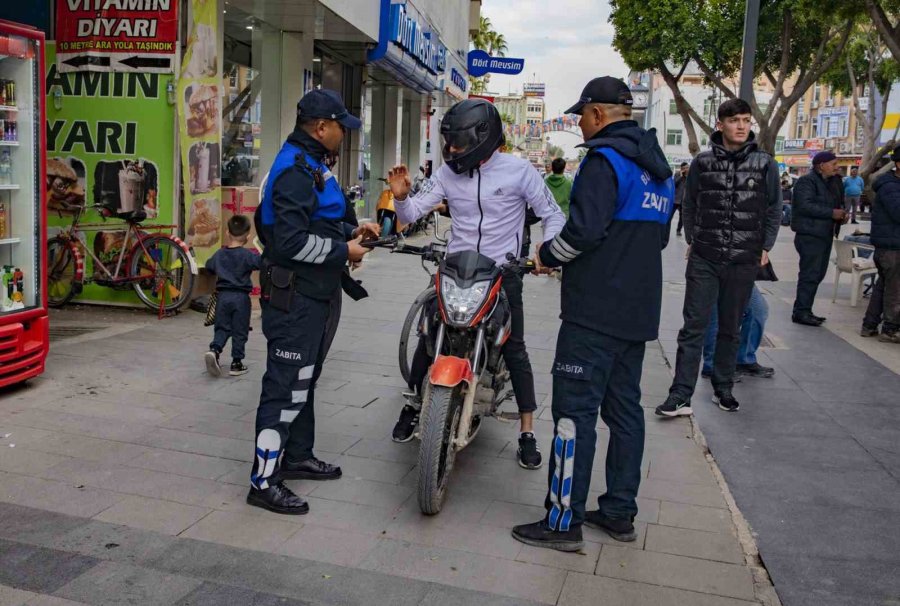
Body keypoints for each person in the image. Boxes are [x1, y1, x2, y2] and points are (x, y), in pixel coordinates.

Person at [510, 77, 674, 551]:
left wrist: (546, 257)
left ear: (599, 115)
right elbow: (658, 238)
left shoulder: (604, 162)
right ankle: (620, 512)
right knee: (625, 412)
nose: (579, 122)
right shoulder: (657, 170)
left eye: (582, 114)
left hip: (593, 315)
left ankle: (563, 521)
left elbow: (583, 233)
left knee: (573, 414)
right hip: (638, 314)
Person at [387, 98, 567, 470]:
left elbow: (553, 214)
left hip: (505, 273)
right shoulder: (446, 174)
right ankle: (413, 402)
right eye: (448, 143)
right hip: (456, 270)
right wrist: (402, 197)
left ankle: (528, 431)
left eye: (459, 144)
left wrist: (545, 255)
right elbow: (412, 215)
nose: (452, 151)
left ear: (483, 139)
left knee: (514, 347)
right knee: (430, 331)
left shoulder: (519, 171)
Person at [248, 89, 378, 515]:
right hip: (294, 295)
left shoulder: (312, 165)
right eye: (341, 127)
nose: (344, 134)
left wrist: (354, 229)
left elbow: (319, 221)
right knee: (284, 383)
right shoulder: (295, 170)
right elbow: (288, 241)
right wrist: (345, 252)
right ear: (321, 128)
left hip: (316, 292)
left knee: (305, 376)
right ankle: (263, 481)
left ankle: (297, 455)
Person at [655, 99, 782, 418]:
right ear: (720, 124)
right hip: (705, 258)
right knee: (693, 325)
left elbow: (773, 208)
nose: (741, 126)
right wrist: (694, 238)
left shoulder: (765, 163)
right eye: (735, 120)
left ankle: (723, 387)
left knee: (730, 327)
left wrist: (765, 244)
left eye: (746, 120)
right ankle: (681, 394)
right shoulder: (702, 162)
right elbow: (691, 203)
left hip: (743, 258)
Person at [790, 151, 848, 326]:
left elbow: (838, 203)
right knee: (810, 274)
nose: (837, 167)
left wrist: (841, 214)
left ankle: (804, 309)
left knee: (818, 274)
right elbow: (804, 206)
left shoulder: (834, 182)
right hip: (810, 235)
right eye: (833, 164)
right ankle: (801, 312)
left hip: (825, 233)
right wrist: (831, 213)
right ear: (821, 165)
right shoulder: (806, 182)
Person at [204, 215, 260, 377]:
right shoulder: (247, 255)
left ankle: (215, 350)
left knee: (222, 327)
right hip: (241, 298)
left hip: (223, 297)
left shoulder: (220, 254)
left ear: (227, 233)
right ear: (248, 237)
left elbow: (209, 266)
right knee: (240, 330)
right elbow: (260, 263)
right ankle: (237, 362)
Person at [702, 285, 775, 379]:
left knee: (758, 310)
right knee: (717, 316)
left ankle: (743, 359)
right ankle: (712, 365)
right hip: (717, 274)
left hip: (743, 274)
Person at [869, 148, 900, 343]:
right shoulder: (890, 187)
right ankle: (890, 329)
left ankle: (869, 324)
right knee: (894, 290)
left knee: (883, 287)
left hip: (891, 244)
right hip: (891, 246)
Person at [672, 162, 689, 236]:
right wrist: (681, 176)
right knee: (670, 215)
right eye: (685, 168)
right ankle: (666, 227)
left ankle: (678, 230)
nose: (686, 169)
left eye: (687, 168)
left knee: (682, 217)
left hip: (684, 200)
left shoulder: (689, 176)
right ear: (681, 169)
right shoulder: (677, 174)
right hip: (675, 199)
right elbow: (674, 184)